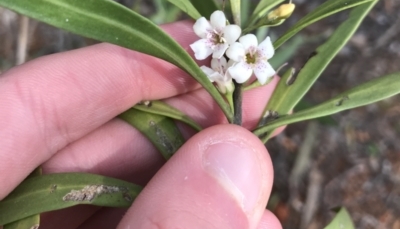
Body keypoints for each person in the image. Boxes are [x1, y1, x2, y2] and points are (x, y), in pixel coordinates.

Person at [1, 21, 282, 229]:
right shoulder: (228, 50)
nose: (250, 57)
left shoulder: (243, 55)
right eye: (248, 56)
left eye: (252, 57)